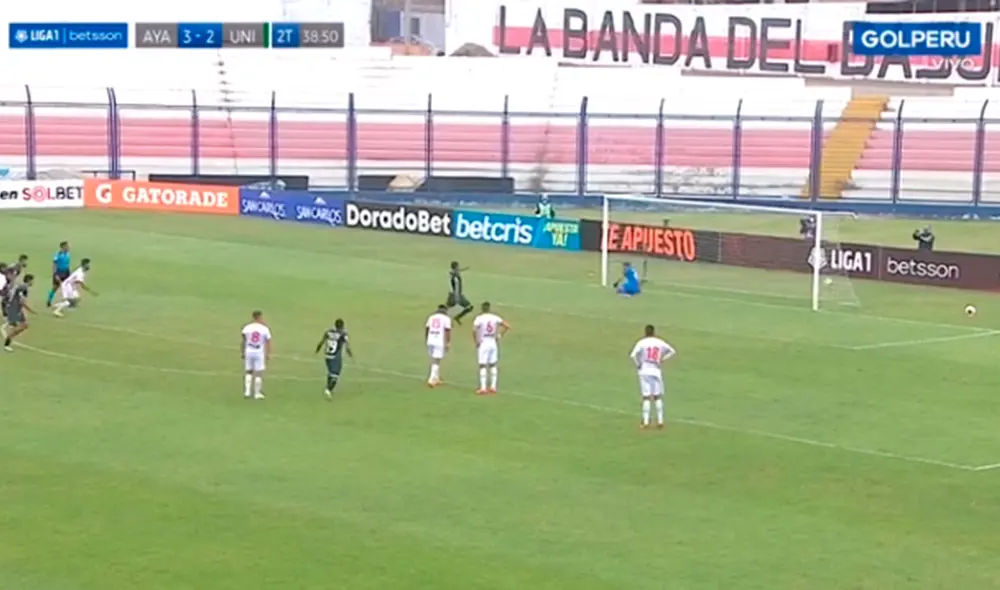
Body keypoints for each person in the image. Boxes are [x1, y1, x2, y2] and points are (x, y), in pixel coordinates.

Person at [629, 324, 676, 429]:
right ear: (654, 332)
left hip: (645, 370)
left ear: (645, 332)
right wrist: (662, 359)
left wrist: (638, 364)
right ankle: (660, 421)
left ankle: (646, 422)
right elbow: (672, 351)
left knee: (646, 397)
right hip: (656, 370)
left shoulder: (642, 342)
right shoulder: (659, 342)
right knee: (657, 396)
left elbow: (633, 355)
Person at [472, 301, 509, 395]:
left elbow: (474, 329)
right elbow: (507, 326)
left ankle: (483, 388)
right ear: (489, 308)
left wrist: (476, 341)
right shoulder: (494, 317)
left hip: (483, 342)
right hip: (492, 341)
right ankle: (493, 387)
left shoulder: (479, 318)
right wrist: (499, 335)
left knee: (482, 365)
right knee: (493, 364)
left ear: (482, 308)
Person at [315, 318, 352, 400]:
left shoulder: (328, 332)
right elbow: (347, 347)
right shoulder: (343, 334)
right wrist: (350, 354)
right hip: (335, 357)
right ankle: (328, 390)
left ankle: (328, 388)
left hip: (327, 356)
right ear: (342, 326)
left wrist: (317, 349)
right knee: (335, 375)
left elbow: (321, 342)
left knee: (330, 373)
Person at [241, 310, 272, 400]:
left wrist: (242, 352)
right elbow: (268, 341)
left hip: (249, 350)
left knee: (248, 371)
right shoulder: (264, 329)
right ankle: (257, 393)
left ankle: (247, 392)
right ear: (260, 317)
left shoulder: (247, 328)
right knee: (258, 373)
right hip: (258, 351)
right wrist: (268, 353)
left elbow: (243, 340)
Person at [2, 274, 36, 352]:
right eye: (32, 280)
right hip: (14, 309)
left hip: (15, 308)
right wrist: (31, 310)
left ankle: (9, 339)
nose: (33, 282)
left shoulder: (21, 286)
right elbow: (21, 301)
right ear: (29, 280)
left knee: (24, 325)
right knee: (20, 326)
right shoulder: (23, 288)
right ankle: (7, 344)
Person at [425, 304, 453, 387]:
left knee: (434, 359)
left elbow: (427, 329)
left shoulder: (431, 317)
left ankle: (436, 378)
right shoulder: (446, 319)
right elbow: (447, 330)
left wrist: (427, 339)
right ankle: (431, 379)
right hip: (438, 341)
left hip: (430, 340)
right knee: (436, 360)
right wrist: (448, 342)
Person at [48, 241, 71, 307]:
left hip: (66, 272)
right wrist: (55, 274)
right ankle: (49, 300)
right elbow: (54, 265)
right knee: (55, 287)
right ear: (63, 247)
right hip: (59, 272)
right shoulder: (58, 255)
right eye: (67, 246)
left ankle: (68, 301)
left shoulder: (68, 254)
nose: (68, 247)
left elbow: (67, 263)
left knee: (67, 286)